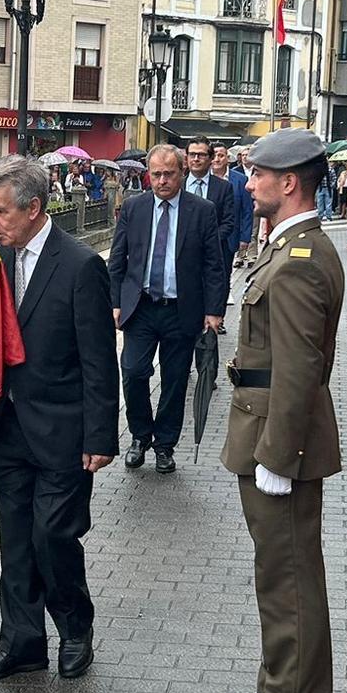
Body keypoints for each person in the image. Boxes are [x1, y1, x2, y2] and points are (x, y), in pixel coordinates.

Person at [0, 155, 118, 685]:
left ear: (32, 208)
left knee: (53, 536)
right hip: (5, 428)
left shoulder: (80, 266)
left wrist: (101, 436)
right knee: (14, 541)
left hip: (62, 432)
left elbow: (99, 359)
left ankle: (76, 628)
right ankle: (22, 643)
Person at [220, 128, 344, 693]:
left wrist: (280, 454)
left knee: (288, 569)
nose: (248, 183)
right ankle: (280, 684)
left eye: (258, 174)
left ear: (288, 182)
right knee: (278, 565)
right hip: (267, 425)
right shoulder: (291, 247)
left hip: (277, 434)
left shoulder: (299, 260)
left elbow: (298, 368)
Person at [106, 145, 227, 476]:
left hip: (182, 310)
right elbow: (117, 259)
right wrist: (115, 302)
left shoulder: (200, 211)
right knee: (132, 372)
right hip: (141, 307)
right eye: (156, 174)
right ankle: (140, 435)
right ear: (149, 174)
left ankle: (164, 445)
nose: (162, 180)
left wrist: (214, 311)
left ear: (182, 172)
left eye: (169, 174)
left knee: (174, 381)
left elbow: (214, 265)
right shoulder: (134, 208)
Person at [185, 139, 238, 276]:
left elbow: (228, 221)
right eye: (192, 154)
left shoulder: (224, 187)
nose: (196, 159)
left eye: (201, 155)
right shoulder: (177, 186)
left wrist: (208, 242)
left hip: (215, 253)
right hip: (182, 253)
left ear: (210, 159)